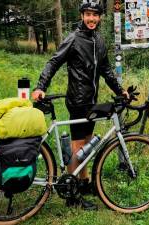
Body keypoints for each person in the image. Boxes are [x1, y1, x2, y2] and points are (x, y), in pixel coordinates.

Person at [31, 0, 129, 210]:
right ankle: (72, 194)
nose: (92, 18)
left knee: (86, 145)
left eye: (95, 14)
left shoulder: (99, 41)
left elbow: (106, 71)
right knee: (78, 147)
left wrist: (119, 90)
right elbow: (53, 62)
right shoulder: (74, 39)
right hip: (77, 101)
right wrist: (41, 86)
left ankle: (83, 183)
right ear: (82, 16)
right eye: (88, 14)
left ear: (100, 16)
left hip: (91, 101)